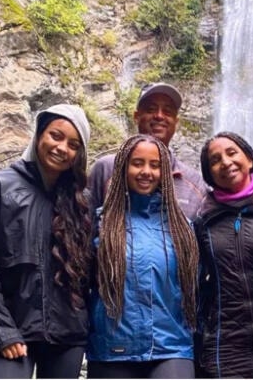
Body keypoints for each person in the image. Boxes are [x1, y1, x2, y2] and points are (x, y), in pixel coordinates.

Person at [0, 104, 93, 378]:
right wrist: (2, 328)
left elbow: (90, 271)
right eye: (56, 136)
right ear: (39, 135)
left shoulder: (81, 201)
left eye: (73, 144)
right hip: (13, 325)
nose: (62, 148)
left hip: (68, 335)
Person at [87, 134, 199, 378]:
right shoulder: (101, 223)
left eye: (155, 165)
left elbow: (195, 288)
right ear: (123, 168)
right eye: (137, 163)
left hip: (171, 347)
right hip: (112, 348)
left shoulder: (182, 228)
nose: (146, 171)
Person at [193, 132, 253, 378]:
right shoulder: (204, 220)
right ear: (209, 175)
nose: (225, 162)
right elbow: (196, 285)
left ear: (250, 160)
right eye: (215, 160)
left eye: (232, 153)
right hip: (226, 345)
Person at [88, 82, 207, 221]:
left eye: (167, 112)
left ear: (176, 122)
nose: (159, 116)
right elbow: (85, 226)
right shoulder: (106, 169)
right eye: (151, 109)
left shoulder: (195, 184)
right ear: (136, 116)